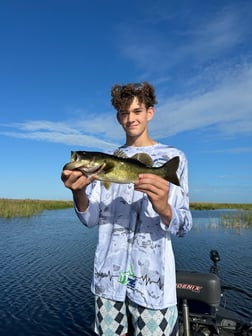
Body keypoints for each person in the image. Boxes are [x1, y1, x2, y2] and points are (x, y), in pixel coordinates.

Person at [61, 82, 192, 336]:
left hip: (152, 286)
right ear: (118, 117)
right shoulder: (106, 161)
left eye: (137, 111)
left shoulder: (173, 158)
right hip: (108, 281)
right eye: (124, 113)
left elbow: (184, 225)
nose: (130, 118)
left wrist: (164, 207)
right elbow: (90, 219)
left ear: (150, 112)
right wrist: (78, 192)